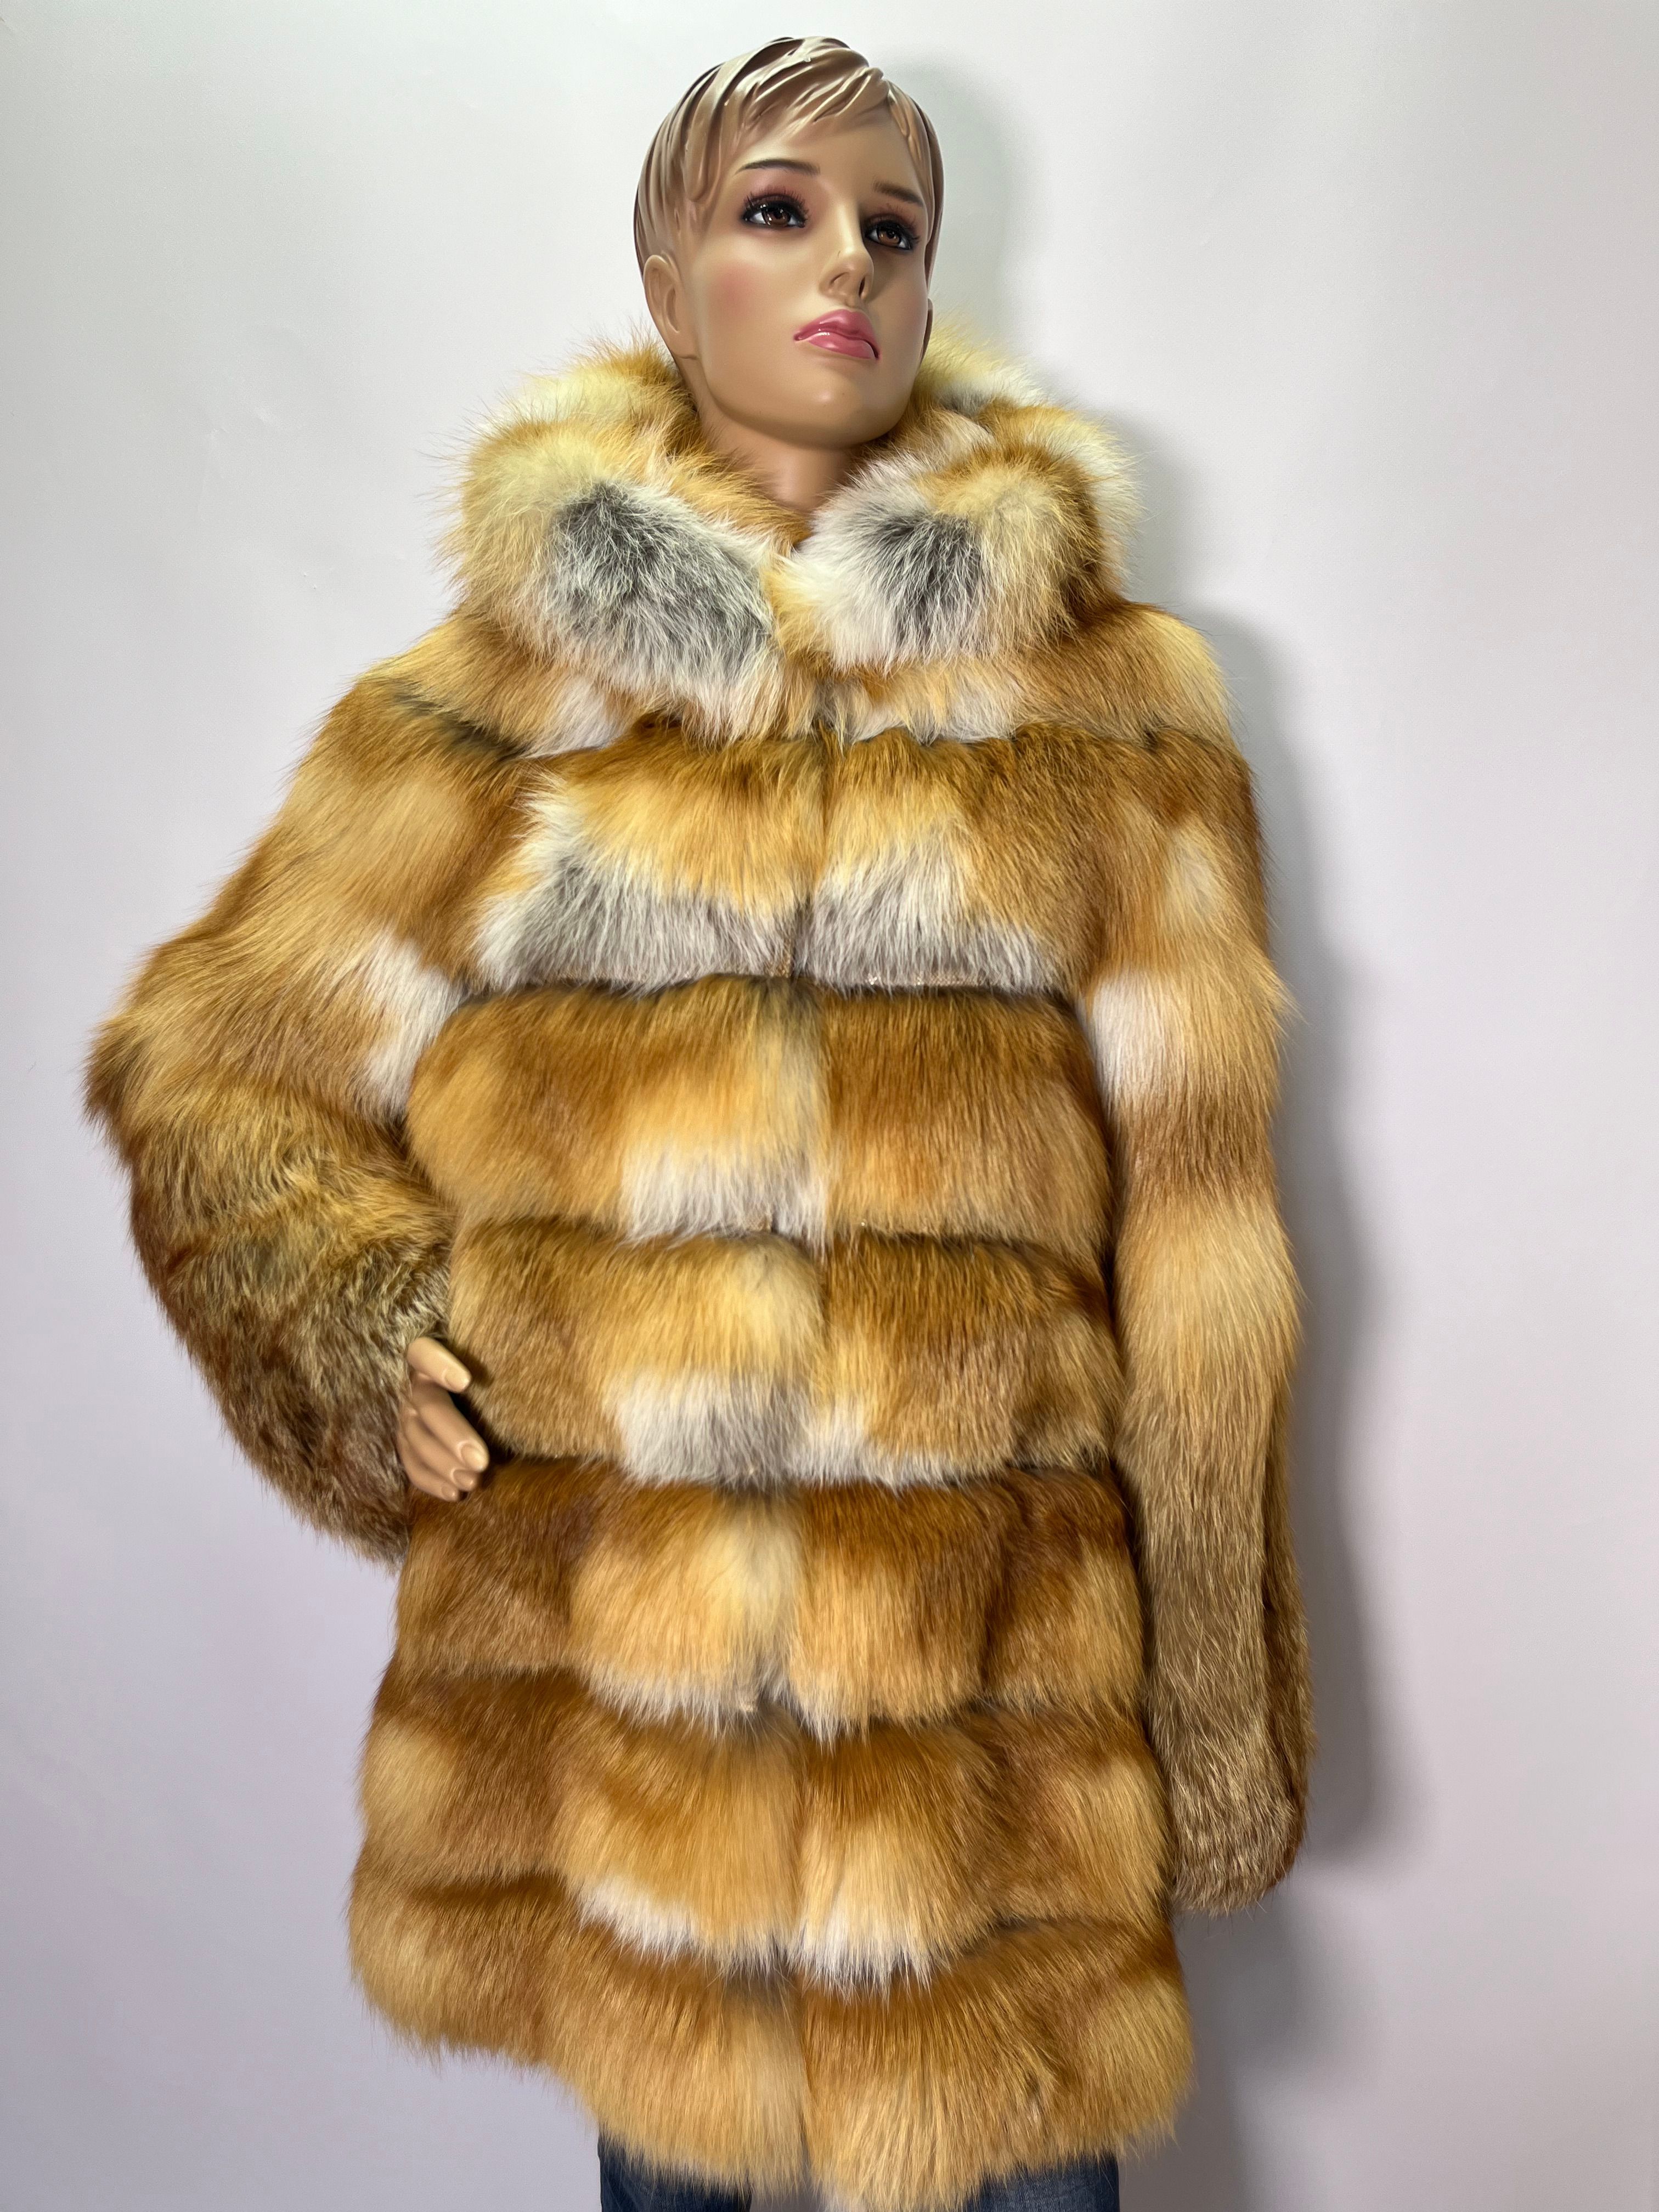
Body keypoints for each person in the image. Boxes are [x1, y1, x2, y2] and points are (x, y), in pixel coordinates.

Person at [85, 35, 1312, 2212]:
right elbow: (208, 1058)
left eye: (892, 225)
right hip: (632, 1737)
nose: (849, 262)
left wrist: (1214, 1711)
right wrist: (356, 1319)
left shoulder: (1113, 716)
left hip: (987, 1736)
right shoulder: (485, 718)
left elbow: (1203, 1249)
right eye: (776, 208)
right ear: (667, 281)